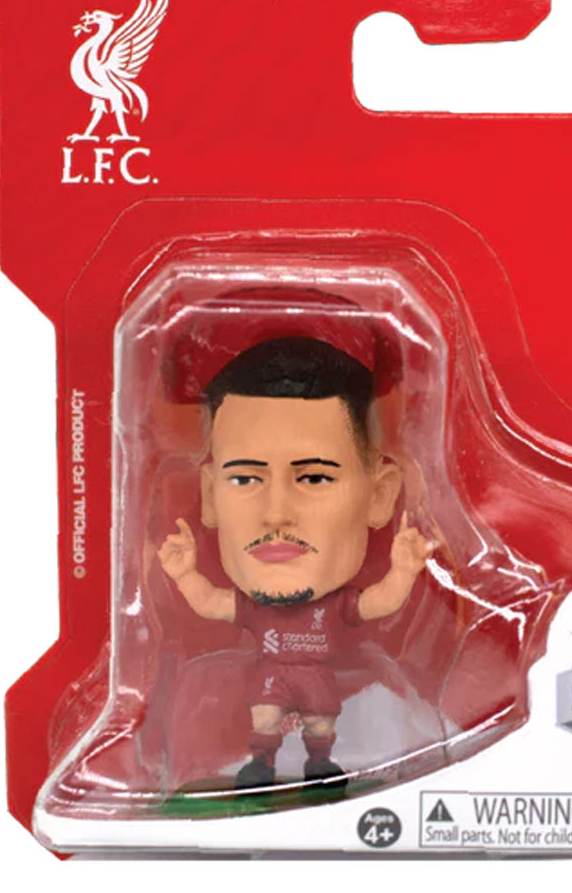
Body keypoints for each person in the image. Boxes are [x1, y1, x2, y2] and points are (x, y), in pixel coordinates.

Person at [158, 335, 432, 789]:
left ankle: (320, 764)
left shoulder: (389, 698)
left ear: (379, 494)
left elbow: (378, 602)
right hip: (270, 679)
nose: (276, 513)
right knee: (265, 715)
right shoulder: (233, 638)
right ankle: (261, 765)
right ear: (210, 495)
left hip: (319, 681)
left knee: (321, 723)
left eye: (314, 478)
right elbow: (210, 602)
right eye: (245, 479)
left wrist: (403, 569)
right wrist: (184, 573)